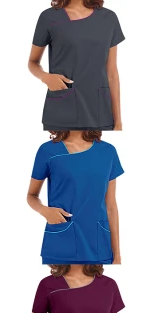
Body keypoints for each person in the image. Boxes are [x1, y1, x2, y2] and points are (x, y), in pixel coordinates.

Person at [27, 131, 122, 265]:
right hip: (61, 244)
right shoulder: (48, 150)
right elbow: (31, 195)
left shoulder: (108, 151)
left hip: (99, 245)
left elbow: (111, 206)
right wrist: (44, 211)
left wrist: (117, 255)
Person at [28, 0, 124, 131]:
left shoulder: (109, 18)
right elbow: (32, 62)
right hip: (61, 110)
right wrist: (45, 77)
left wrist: (118, 122)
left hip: (100, 112)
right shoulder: (49, 17)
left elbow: (112, 73)